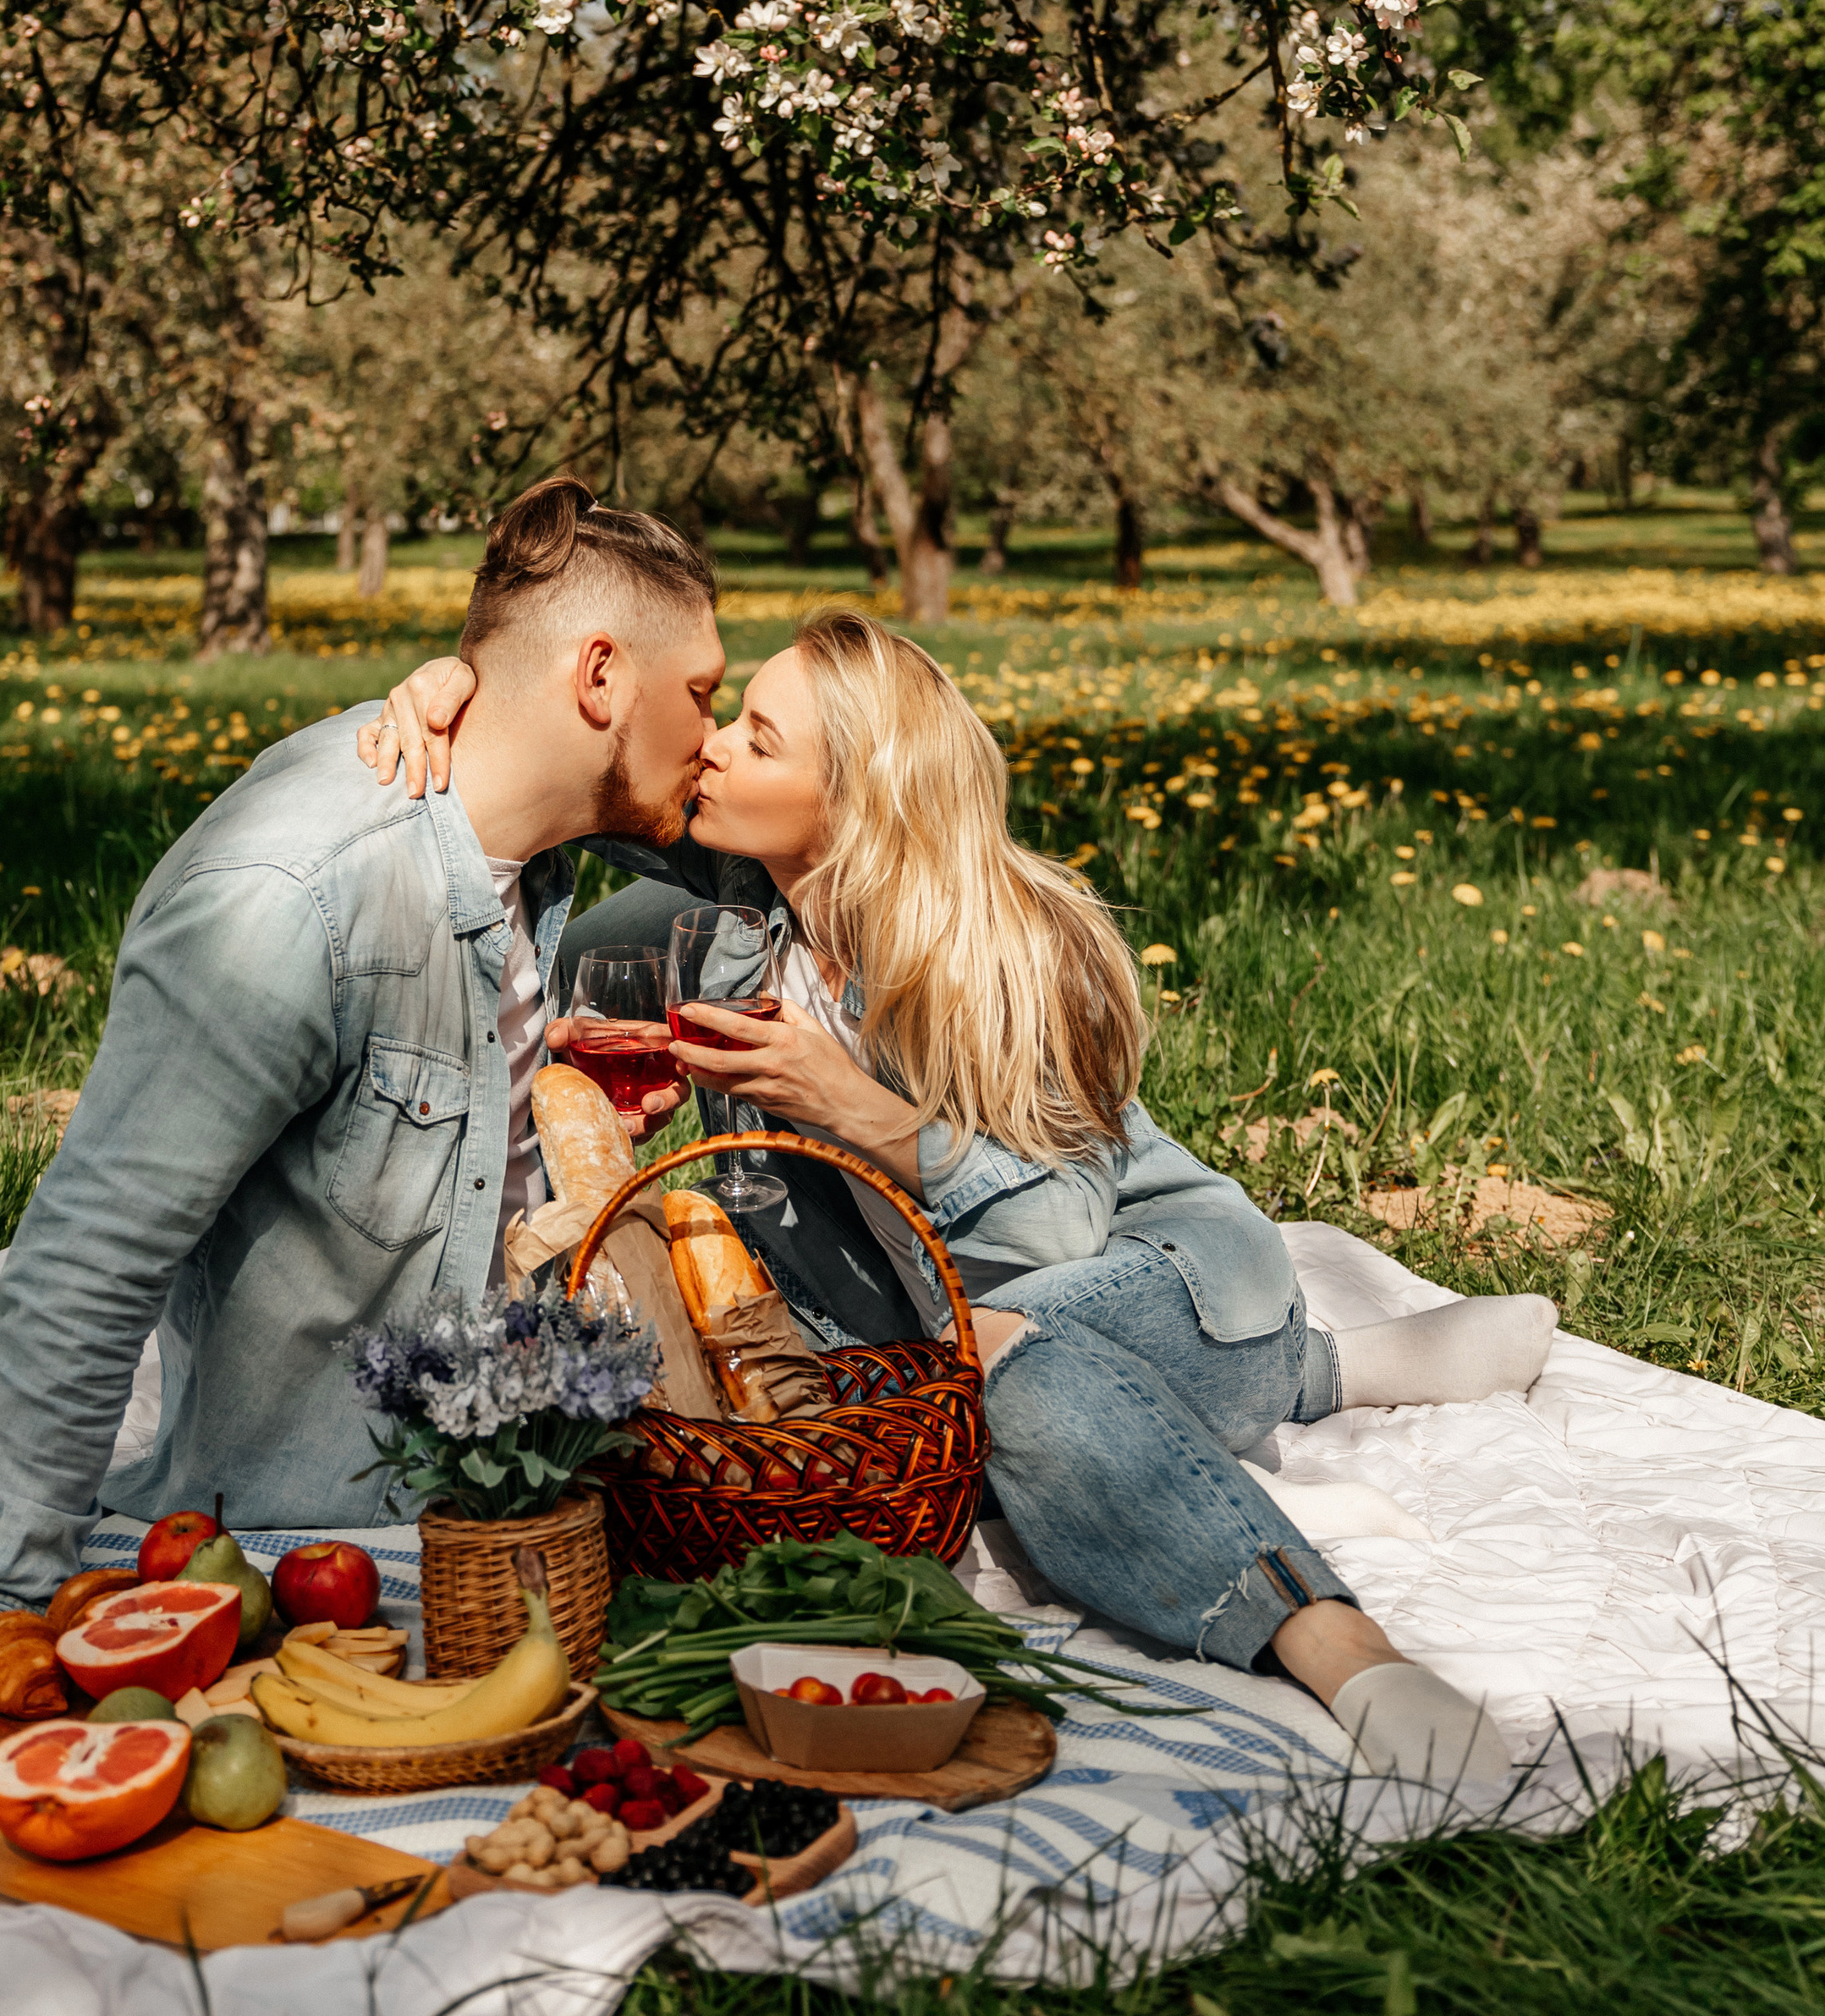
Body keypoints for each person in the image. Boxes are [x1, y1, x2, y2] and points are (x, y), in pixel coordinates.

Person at [367, 612, 1556, 1777]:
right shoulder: (738, 913)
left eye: (761, 739)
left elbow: (1060, 1225)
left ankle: (1335, 1631)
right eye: (734, 720)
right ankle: (1321, 1383)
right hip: (939, 1321)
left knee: (983, 1359)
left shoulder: (1004, 942)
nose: (718, 744)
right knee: (920, 1386)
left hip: (1157, 1272)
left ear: (860, 801)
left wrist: (856, 1110)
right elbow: (587, 787)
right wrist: (462, 692)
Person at [0, 477, 726, 1695]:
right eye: (706, 693)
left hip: (526, 1470)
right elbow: (93, 1249)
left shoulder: (533, 830)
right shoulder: (293, 898)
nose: (715, 732)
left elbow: (770, 839)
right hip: (335, 1529)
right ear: (600, 679)